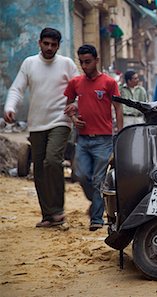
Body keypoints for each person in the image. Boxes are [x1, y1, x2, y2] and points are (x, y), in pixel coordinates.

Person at [3, 27, 79, 228]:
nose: (49, 48)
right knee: (38, 170)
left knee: (52, 160)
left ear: (58, 46)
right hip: (36, 124)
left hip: (61, 121)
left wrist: (76, 106)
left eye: (54, 45)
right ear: (39, 43)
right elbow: (17, 89)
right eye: (46, 44)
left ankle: (58, 209)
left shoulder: (67, 64)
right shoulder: (29, 63)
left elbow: (80, 90)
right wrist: (10, 107)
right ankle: (48, 215)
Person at [64, 44, 123, 231]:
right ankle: (98, 201)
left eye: (88, 62)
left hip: (104, 140)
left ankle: (96, 219)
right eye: (81, 62)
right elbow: (68, 105)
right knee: (81, 175)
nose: (84, 66)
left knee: (98, 180)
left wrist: (120, 135)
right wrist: (74, 118)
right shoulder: (75, 83)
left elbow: (118, 108)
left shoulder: (109, 83)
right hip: (82, 139)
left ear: (97, 61)